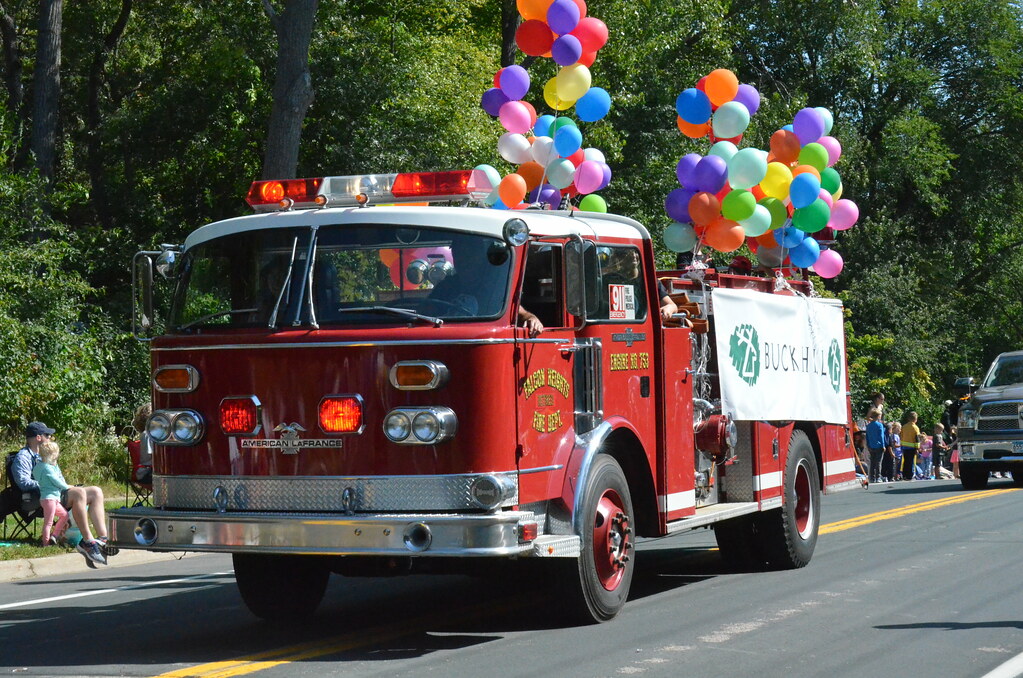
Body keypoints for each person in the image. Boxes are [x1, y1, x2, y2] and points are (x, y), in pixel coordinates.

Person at [11, 422, 108, 565]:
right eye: (48, 435)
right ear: (38, 437)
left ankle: (103, 539)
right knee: (79, 492)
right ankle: (88, 541)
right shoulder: (23, 457)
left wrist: (65, 486)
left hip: (56, 492)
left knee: (95, 491)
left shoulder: (48, 456)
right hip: (40, 496)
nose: (50, 438)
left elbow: (59, 479)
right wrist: (45, 483)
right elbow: (23, 483)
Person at [604, 248, 678, 322]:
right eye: (627, 253)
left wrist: (668, 308)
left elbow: (672, 306)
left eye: (636, 252)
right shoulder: (608, 280)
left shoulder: (649, 281)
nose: (633, 256)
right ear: (618, 257)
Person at [31, 441, 70, 547]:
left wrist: (55, 465)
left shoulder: (40, 466)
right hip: (49, 498)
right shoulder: (47, 468)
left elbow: (36, 475)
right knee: (48, 522)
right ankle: (46, 543)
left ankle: (54, 535)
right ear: (52, 455)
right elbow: (56, 481)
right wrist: (67, 487)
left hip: (50, 498)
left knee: (65, 515)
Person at [132, 403, 154, 485]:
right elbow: (153, 457)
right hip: (146, 473)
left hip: (151, 470)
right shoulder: (147, 434)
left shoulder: (152, 434)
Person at [865, 409, 886, 484]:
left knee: (872, 462)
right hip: (879, 445)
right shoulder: (879, 425)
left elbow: (867, 436)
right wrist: (883, 445)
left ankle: (872, 477)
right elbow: (881, 436)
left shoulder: (868, 426)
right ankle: (878, 477)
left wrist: (868, 445)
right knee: (878, 462)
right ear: (878, 416)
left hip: (871, 446)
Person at [900, 412, 921, 481]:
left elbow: (901, 435)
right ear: (915, 419)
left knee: (905, 461)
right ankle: (909, 475)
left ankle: (904, 474)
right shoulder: (915, 427)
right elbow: (917, 438)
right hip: (912, 447)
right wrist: (917, 447)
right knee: (911, 461)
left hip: (904, 447)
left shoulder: (904, 426)